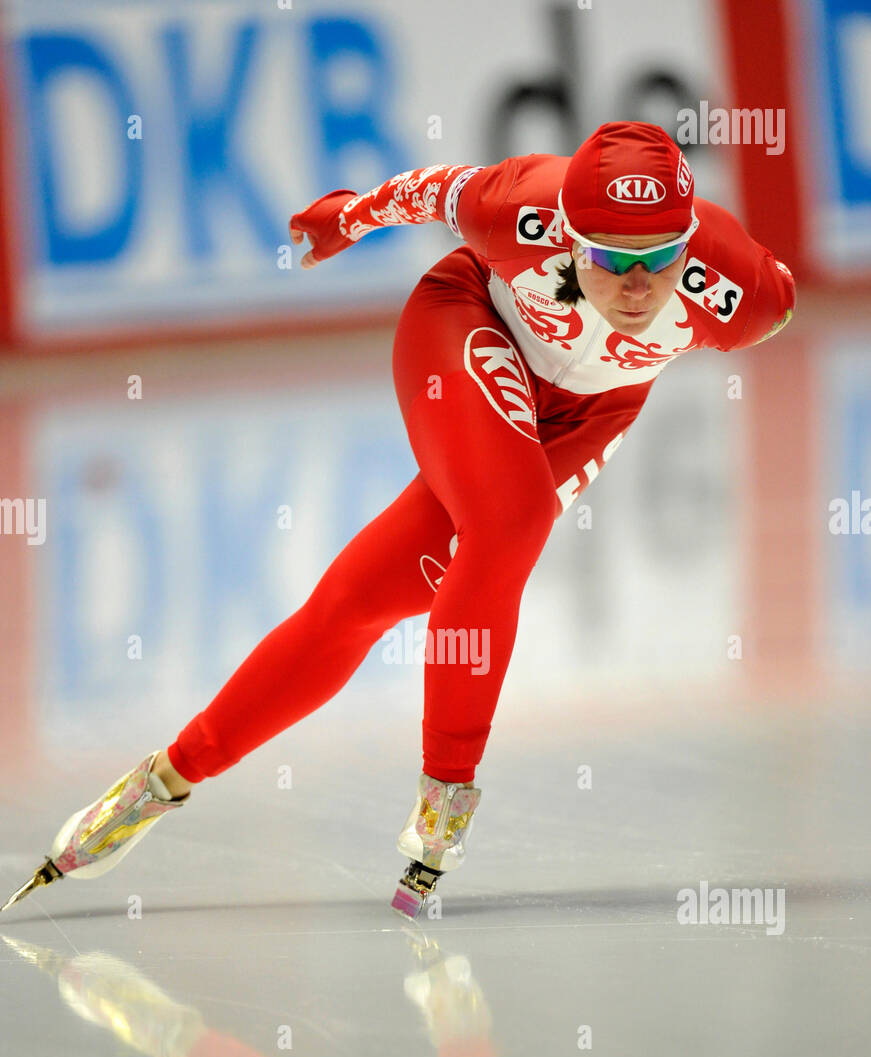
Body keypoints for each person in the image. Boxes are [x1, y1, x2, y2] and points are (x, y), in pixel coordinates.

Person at [1, 122, 795, 922]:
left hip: (587, 415)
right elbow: (425, 191)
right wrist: (343, 219)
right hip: (466, 327)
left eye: (658, 259)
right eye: (609, 259)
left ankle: (160, 780)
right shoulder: (517, 207)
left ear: (689, 242)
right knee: (508, 524)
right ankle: (446, 797)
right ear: (568, 236)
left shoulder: (747, 296)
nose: (634, 284)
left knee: (358, 604)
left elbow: (772, 292)